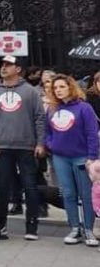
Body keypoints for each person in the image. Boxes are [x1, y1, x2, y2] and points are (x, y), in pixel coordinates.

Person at [0, 55, 46, 240]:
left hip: (27, 147)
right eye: (2, 65)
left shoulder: (30, 92)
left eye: (8, 65)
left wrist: (41, 142)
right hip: (1, 147)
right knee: (2, 189)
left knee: (30, 187)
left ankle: (31, 228)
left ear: (18, 69)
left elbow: (39, 118)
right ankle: (0, 226)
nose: (3, 68)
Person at [45, 74, 100, 246]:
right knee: (68, 194)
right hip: (60, 157)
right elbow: (47, 131)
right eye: (55, 88)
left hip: (82, 157)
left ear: (70, 87)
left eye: (62, 86)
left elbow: (92, 134)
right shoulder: (52, 109)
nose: (58, 90)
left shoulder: (84, 108)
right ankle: (74, 228)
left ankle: (89, 230)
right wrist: (51, 144)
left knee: (86, 195)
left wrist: (92, 157)